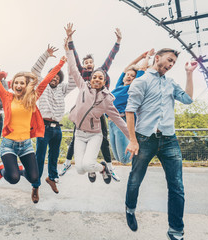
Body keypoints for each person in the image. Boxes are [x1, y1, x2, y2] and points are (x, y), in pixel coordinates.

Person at [124, 48, 198, 240]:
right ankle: (130, 209)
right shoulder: (141, 81)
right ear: (157, 58)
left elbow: (188, 99)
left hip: (169, 139)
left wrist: (189, 74)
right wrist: (133, 140)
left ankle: (175, 230)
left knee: (177, 186)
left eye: (174, 62)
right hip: (144, 139)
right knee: (135, 179)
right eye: (169, 60)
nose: (171, 64)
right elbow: (130, 111)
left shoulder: (171, 83)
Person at [0, 46, 66, 196]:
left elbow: (47, 80)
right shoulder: (6, 97)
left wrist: (61, 63)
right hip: (9, 144)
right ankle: (3, 170)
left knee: (34, 177)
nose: (18, 85)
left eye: (22, 83)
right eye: (16, 82)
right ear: (12, 84)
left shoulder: (32, 98)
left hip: (26, 146)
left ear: (26, 86)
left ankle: (20, 170)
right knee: (13, 178)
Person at [59, 23, 122, 182]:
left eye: (90, 62)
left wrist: (118, 43)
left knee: (104, 140)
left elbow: (110, 58)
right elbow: (74, 60)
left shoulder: (101, 73)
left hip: (99, 112)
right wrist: (70, 40)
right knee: (76, 138)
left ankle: (109, 167)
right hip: (83, 112)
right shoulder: (82, 75)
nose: (87, 64)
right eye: (85, 62)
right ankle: (71, 164)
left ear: (94, 65)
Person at [30, 44, 76, 203]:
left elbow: (73, 80)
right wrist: (46, 55)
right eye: (53, 75)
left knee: (55, 156)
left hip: (57, 129)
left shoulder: (62, 89)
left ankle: (52, 178)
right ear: (49, 76)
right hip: (43, 126)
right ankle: (35, 186)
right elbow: (34, 70)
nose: (55, 77)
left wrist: (69, 56)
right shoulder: (42, 86)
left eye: (57, 76)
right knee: (40, 157)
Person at [108, 48, 154, 164]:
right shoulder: (119, 86)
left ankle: (143, 153)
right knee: (118, 158)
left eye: (132, 76)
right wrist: (140, 56)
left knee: (124, 159)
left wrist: (147, 57)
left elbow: (142, 69)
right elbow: (125, 69)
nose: (128, 76)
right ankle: (140, 151)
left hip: (122, 120)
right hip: (111, 122)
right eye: (127, 75)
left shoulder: (133, 87)